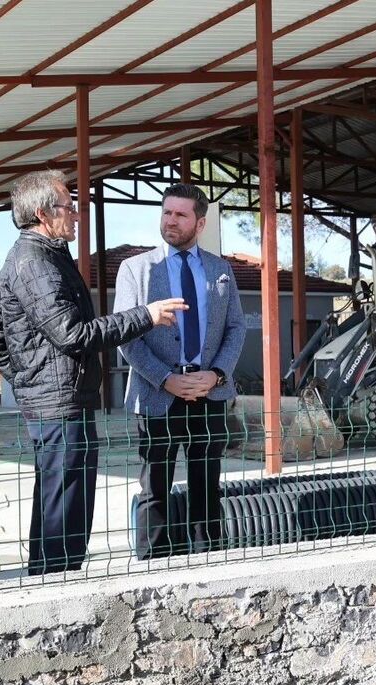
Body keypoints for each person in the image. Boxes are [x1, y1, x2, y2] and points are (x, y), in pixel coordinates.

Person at [0, 170, 186, 575]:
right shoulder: (35, 262)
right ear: (43, 214)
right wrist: (147, 315)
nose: (76, 215)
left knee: (61, 499)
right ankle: (59, 587)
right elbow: (74, 335)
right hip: (58, 404)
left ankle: (54, 579)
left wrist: (25, 377)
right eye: (69, 207)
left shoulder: (41, 256)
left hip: (58, 399)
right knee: (65, 505)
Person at [114, 184, 246, 560]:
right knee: (155, 488)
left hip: (209, 392)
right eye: (166, 212)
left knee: (207, 487)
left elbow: (236, 327)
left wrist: (217, 374)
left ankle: (209, 564)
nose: (170, 220)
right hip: (158, 395)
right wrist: (167, 379)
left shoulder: (221, 270)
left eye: (180, 214)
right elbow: (127, 337)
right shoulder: (135, 270)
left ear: (200, 222)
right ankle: (154, 568)